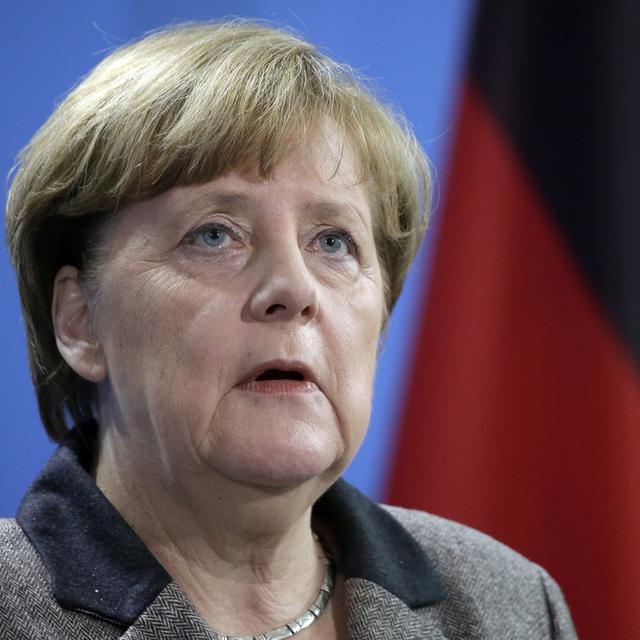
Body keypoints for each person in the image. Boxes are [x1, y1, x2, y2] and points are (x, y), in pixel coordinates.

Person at [1, 21, 577, 639]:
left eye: (333, 242)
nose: (295, 291)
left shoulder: (507, 608)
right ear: (80, 321)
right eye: (214, 235)